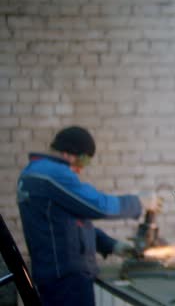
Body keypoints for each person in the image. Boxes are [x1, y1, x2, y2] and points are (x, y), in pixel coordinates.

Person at [17, 126, 159, 306]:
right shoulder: (52, 174)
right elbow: (98, 206)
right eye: (84, 162)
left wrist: (111, 245)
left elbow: (69, 223)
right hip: (66, 281)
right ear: (71, 154)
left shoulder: (34, 171)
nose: (80, 170)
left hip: (56, 276)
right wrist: (139, 202)